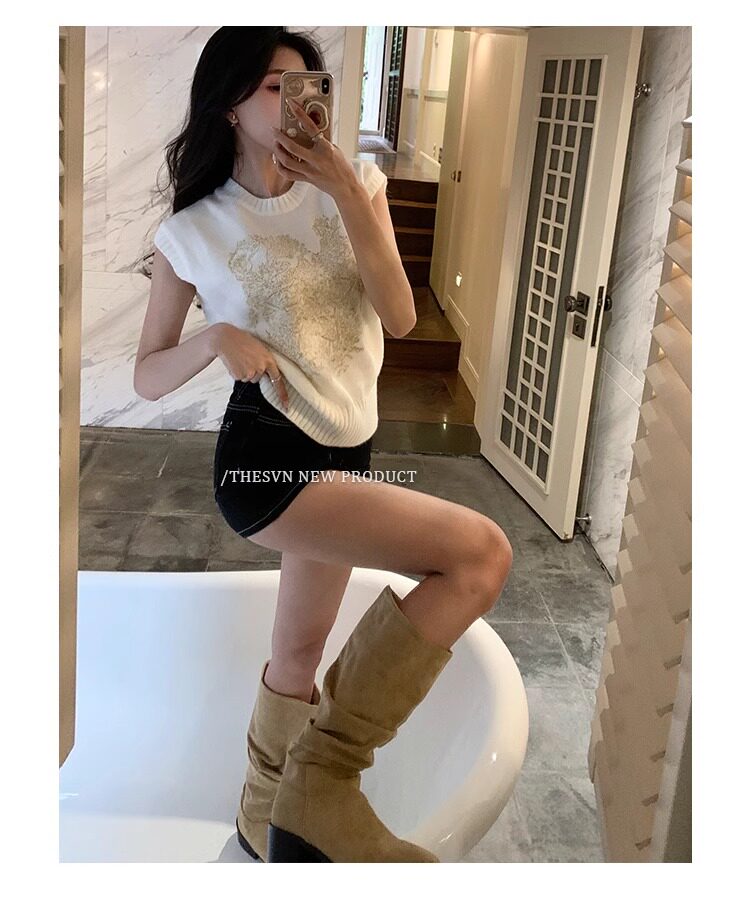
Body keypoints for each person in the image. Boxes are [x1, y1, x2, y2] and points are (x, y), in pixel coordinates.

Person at [134, 26, 513, 863]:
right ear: (229, 106)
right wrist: (214, 339)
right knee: (479, 555)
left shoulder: (360, 187)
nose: (295, 102)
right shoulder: (193, 231)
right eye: (274, 87)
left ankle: (261, 820)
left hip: (350, 448)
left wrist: (346, 193)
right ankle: (322, 783)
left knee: (298, 652)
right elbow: (148, 375)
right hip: (266, 459)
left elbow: (402, 317)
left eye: (308, 85)